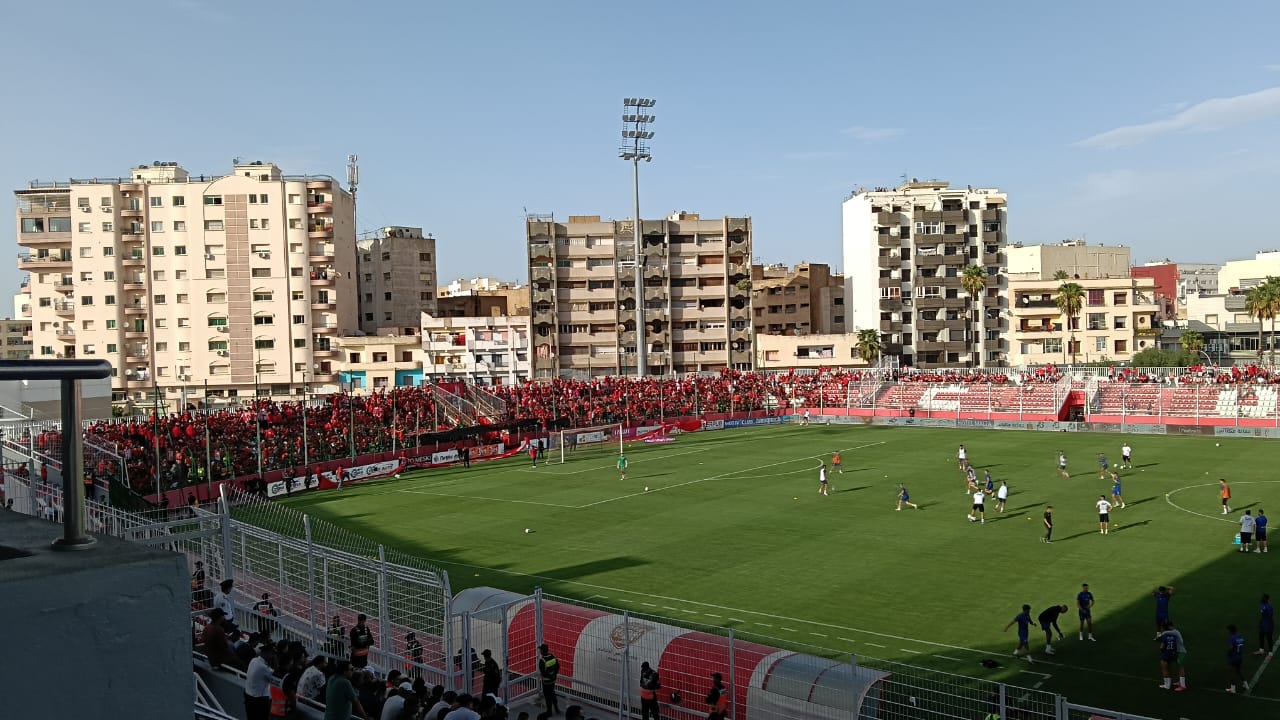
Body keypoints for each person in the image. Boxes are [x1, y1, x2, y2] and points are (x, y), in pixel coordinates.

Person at [244, 643, 276, 720]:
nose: (272, 655)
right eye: (271, 653)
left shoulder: (254, 660)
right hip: (258, 700)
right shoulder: (263, 667)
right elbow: (276, 678)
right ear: (266, 653)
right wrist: (275, 661)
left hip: (248, 697)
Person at [1157, 622, 1186, 692]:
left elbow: (1165, 633)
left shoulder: (1175, 632)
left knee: (1181, 668)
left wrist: (1161, 634)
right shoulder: (1174, 632)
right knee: (1179, 668)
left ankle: (1183, 685)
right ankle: (1180, 682)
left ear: (1171, 626)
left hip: (1181, 652)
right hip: (1178, 652)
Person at [537, 644, 560, 716]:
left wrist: (549, 677)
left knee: (547, 697)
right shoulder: (553, 657)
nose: (540, 651)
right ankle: (556, 708)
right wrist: (554, 675)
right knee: (552, 693)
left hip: (546, 682)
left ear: (542, 651)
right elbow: (557, 666)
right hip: (553, 680)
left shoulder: (542, 661)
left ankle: (549, 711)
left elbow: (543, 673)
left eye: (540, 650)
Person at [1226, 624, 1249, 693]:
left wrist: (1228, 654)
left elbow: (1231, 648)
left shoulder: (1231, 638)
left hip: (1233, 657)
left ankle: (1233, 689)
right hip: (1239, 656)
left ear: (1231, 631)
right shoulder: (1240, 636)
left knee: (1232, 672)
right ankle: (1246, 685)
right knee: (1239, 671)